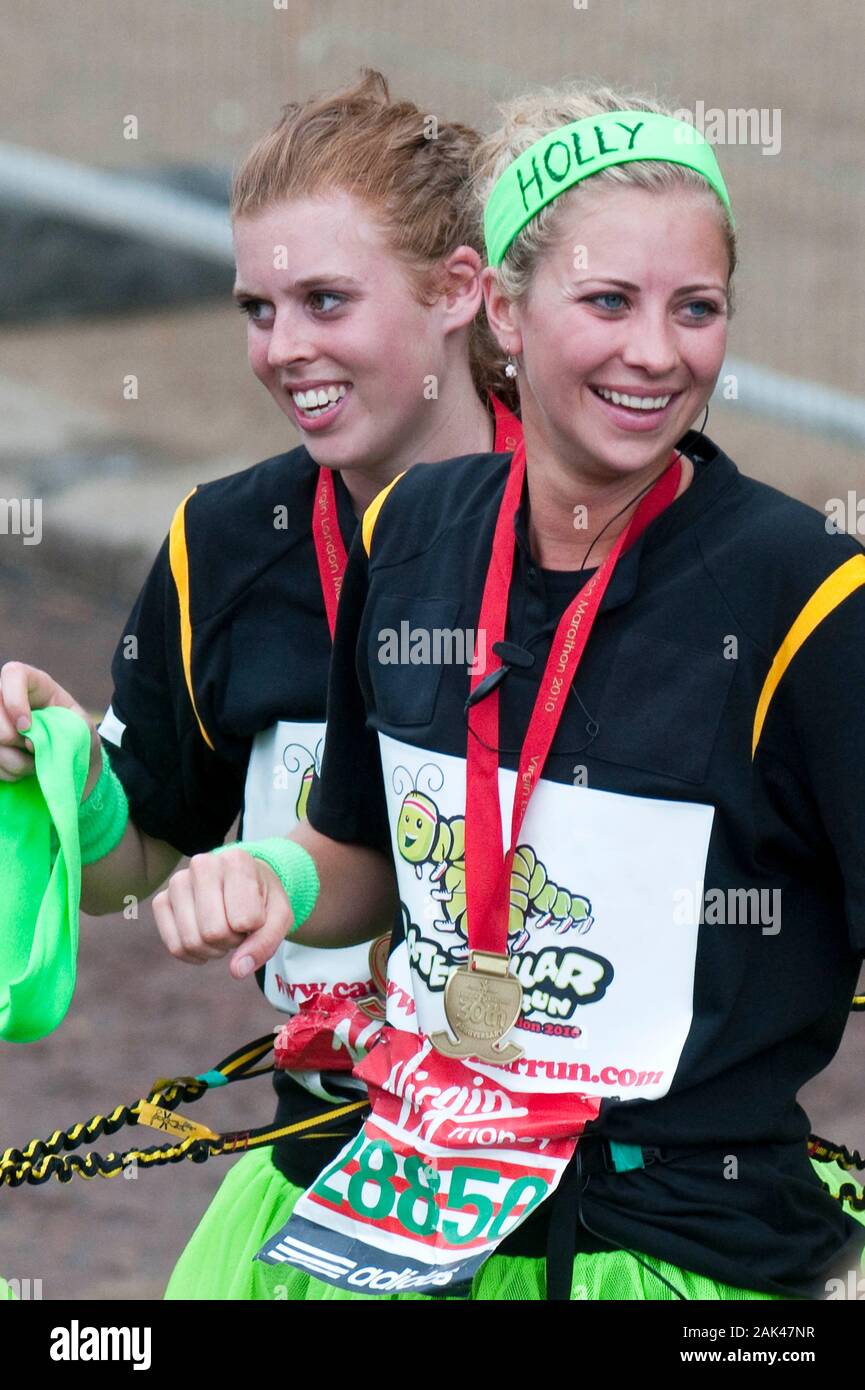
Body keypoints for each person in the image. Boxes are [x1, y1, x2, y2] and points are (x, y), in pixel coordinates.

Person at [152, 82, 865, 1301]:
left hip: (677, 1247)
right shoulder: (415, 529)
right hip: (408, 1216)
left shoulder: (801, 592)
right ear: (502, 309)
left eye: (695, 309)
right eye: (607, 301)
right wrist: (267, 878)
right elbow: (362, 855)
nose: (657, 351)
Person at [0, 70, 521, 1301]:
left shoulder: (587, 532)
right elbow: (154, 857)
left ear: (459, 290)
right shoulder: (227, 541)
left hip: (573, 1201)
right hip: (318, 1173)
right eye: (257, 307)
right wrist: (64, 768)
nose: (284, 350)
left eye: (325, 301)